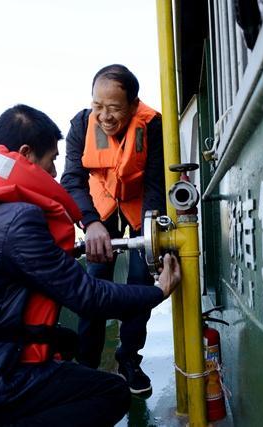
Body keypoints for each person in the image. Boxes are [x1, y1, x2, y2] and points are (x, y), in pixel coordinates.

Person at [0, 104, 180, 426]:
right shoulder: (17, 218)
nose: (56, 173)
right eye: (52, 160)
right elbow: (87, 296)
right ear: (27, 155)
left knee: (65, 344)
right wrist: (157, 291)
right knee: (110, 392)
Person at [61, 64, 166, 394]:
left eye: (115, 108)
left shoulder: (152, 125)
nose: (105, 115)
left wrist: (149, 234)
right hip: (99, 213)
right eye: (98, 106)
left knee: (140, 282)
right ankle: (87, 366)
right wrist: (90, 222)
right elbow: (71, 180)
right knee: (93, 284)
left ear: (134, 105)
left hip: (139, 212)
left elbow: (155, 184)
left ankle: (129, 360)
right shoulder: (80, 124)